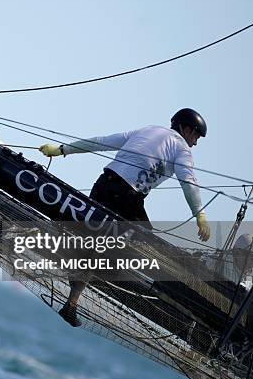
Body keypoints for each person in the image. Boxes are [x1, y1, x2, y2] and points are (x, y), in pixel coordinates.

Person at [39, 108, 212, 327]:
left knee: (92, 246)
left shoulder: (148, 129)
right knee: (145, 245)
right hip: (126, 197)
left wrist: (62, 149)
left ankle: (71, 303)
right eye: (196, 136)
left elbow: (102, 142)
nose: (195, 143)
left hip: (103, 185)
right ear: (186, 129)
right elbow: (188, 182)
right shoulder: (181, 148)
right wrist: (200, 215)